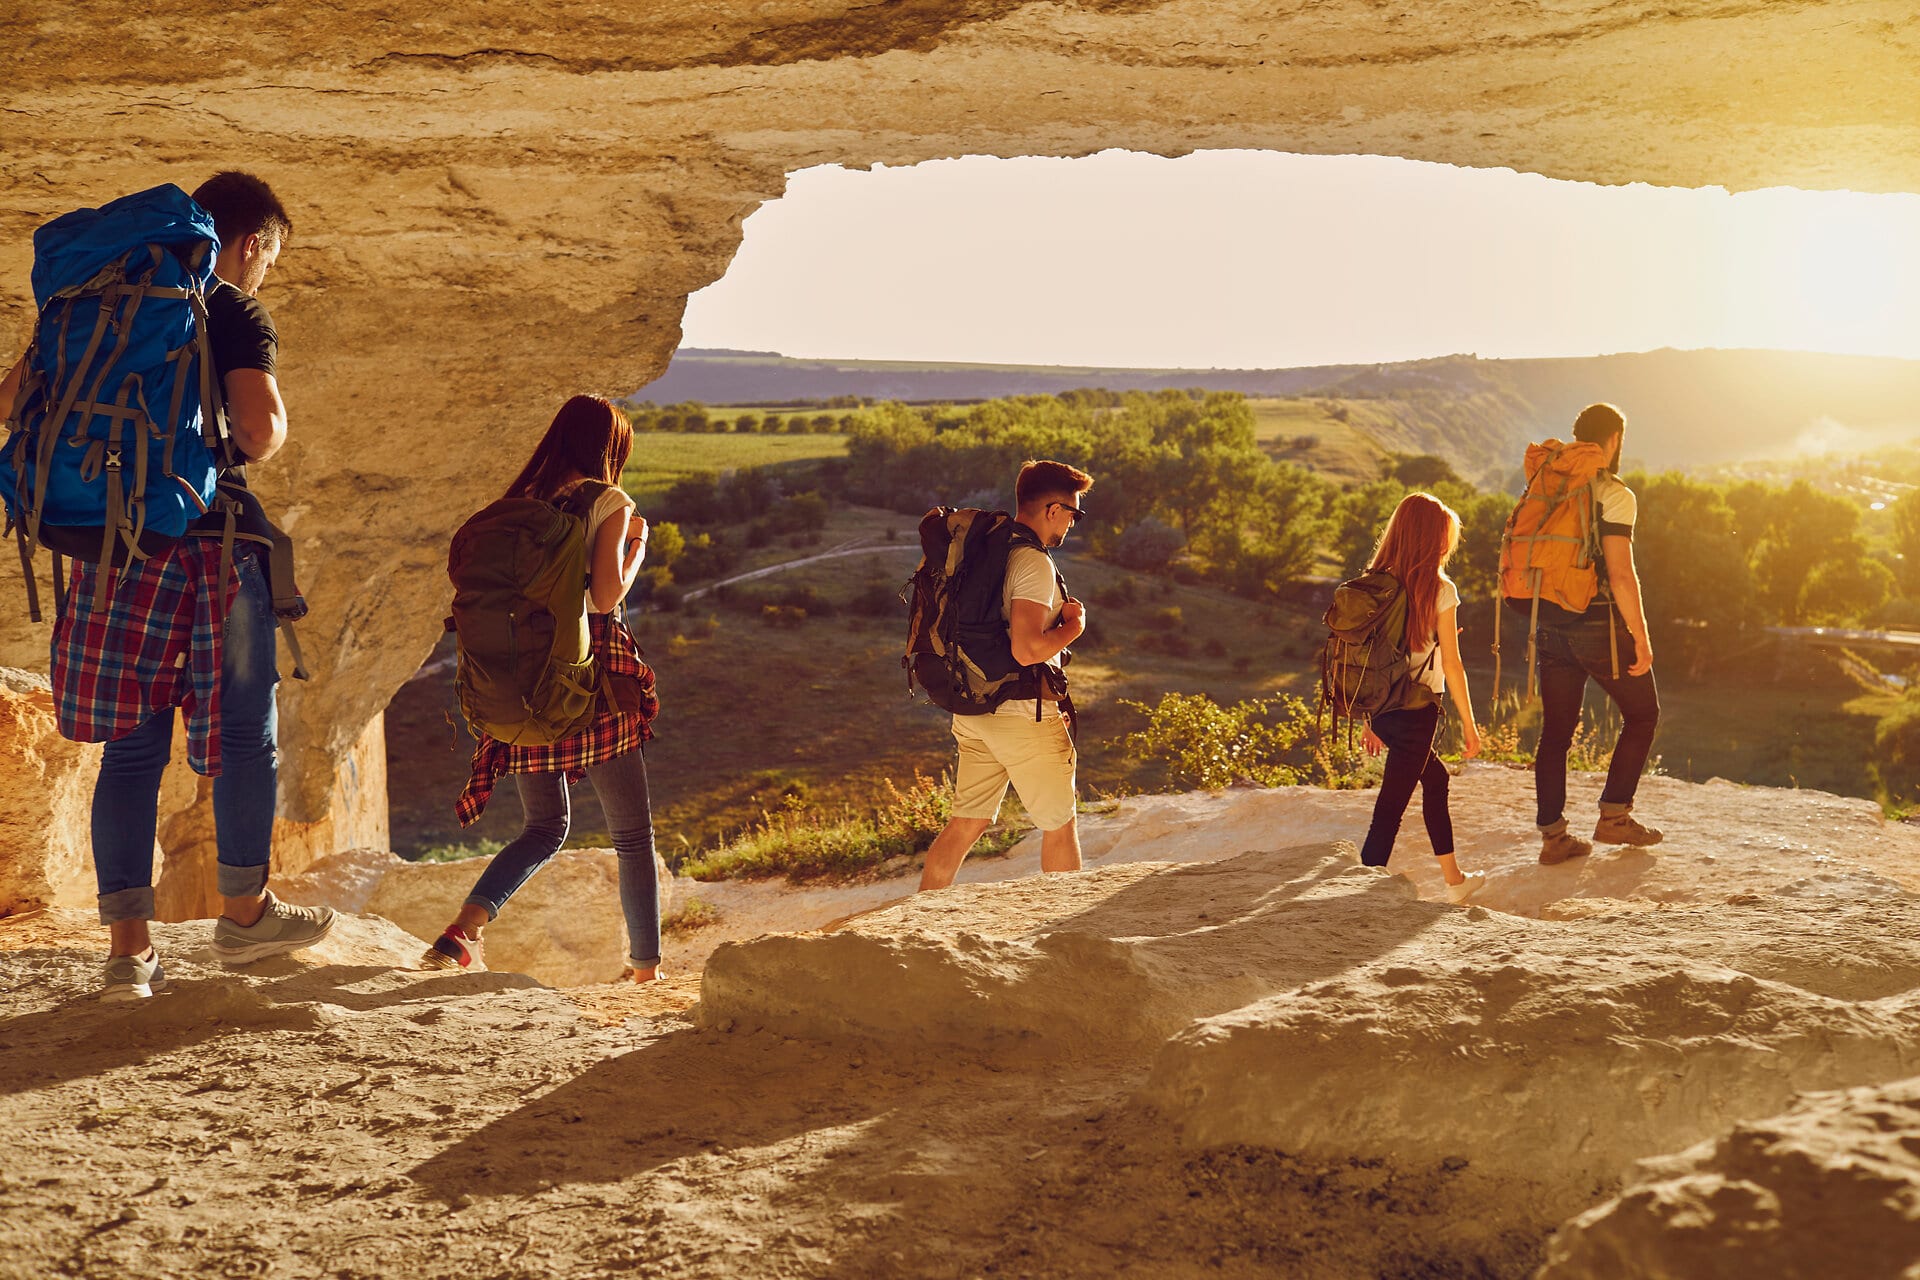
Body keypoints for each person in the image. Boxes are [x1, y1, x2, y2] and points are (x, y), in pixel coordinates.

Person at [0, 172, 333, 1000]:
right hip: (208, 550)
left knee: (131, 748)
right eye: (270, 257)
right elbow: (255, 432)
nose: (263, 272)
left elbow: (10, 405)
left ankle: (127, 954)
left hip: (113, 550)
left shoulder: (95, 295)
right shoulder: (228, 305)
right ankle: (247, 915)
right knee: (243, 736)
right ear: (250, 242)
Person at [428, 394, 664, 982]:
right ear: (610, 448)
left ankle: (463, 931)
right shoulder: (606, 500)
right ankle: (645, 969)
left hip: (525, 676)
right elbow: (605, 597)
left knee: (542, 827)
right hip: (591, 677)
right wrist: (636, 548)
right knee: (632, 836)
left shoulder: (521, 501)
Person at [919, 459, 1090, 892]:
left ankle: (921, 918)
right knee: (1059, 824)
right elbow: (1027, 648)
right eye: (1074, 512)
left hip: (975, 706)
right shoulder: (1031, 561)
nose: (1072, 522)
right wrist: (1074, 627)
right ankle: (1068, 927)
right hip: (1020, 713)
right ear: (1053, 510)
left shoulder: (989, 550)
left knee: (966, 822)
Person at [1507, 402, 1661, 864]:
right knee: (1642, 715)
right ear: (1613, 440)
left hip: (1549, 621)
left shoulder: (1548, 485)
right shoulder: (1613, 493)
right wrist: (1641, 634)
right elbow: (1620, 575)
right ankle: (1614, 818)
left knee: (1556, 731)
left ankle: (1554, 839)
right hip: (1598, 626)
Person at [1357, 493, 1485, 902]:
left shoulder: (1376, 583)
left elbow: (1365, 657)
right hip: (1416, 711)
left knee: (1436, 779)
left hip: (1382, 708)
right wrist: (1468, 723)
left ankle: (1454, 880)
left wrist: (1368, 719)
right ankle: (1360, 890)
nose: (1448, 545)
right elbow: (1454, 666)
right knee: (1389, 812)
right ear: (1432, 539)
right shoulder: (1440, 589)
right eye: (1445, 536)